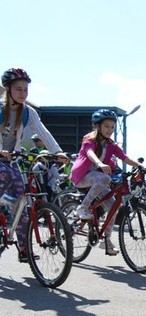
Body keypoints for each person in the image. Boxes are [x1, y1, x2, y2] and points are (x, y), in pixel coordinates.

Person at [0, 67, 63, 262]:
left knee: (23, 200)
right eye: (18, 89)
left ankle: (24, 248)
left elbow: (44, 133)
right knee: (6, 176)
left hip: (12, 160)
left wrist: (58, 152)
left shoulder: (28, 112)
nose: (23, 93)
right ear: (8, 89)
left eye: (25, 89)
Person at [70, 109, 144, 256]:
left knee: (113, 206)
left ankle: (106, 241)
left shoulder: (111, 144)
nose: (110, 130)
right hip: (82, 176)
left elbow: (125, 157)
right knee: (105, 178)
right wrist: (99, 164)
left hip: (98, 179)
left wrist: (140, 166)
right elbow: (89, 153)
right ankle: (83, 208)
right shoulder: (89, 139)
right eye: (106, 126)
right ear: (97, 126)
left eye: (112, 127)